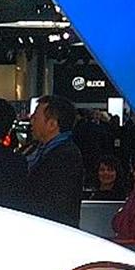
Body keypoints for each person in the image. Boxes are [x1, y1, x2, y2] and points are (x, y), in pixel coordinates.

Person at [23, 95, 84, 226]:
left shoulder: (66, 157)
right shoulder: (38, 149)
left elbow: (54, 201)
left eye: (35, 117)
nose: (31, 121)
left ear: (52, 124)